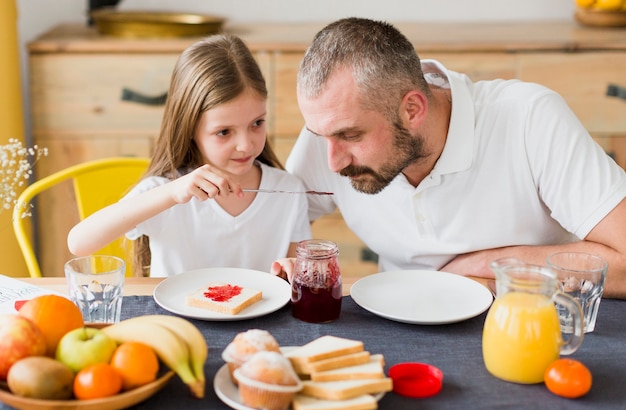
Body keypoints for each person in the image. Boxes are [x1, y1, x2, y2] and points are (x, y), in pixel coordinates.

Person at [272, 17, 626, 299]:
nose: (332, 163)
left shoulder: (529, 119)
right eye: (322, 136)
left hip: (532, 319)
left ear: (412, 109)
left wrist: (493, 265)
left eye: (352, 136)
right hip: (400, 325)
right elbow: (268, 223)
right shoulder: (332, 128)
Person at [68, 34, 311, 277]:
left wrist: (293, 271)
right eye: (224, 131)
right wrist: (171, 193)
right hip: (175, 317)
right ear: (190, 129)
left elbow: (291, 273)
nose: (246, 145)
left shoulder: (289, 190)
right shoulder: (166, 191)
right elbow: (79, 243)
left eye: (257, 123)